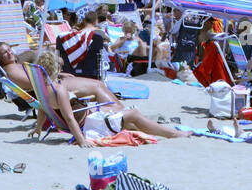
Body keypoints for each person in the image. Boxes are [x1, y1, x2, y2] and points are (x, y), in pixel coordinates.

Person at [31, 51, 190, 147]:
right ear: (55, 69)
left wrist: (38, 127)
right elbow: (69, 117)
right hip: (88, 124)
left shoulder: (43, 89)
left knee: (126, 115)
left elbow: (42, 109)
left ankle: (165, 131)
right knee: (132, 114)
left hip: (87, 116)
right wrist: (81, 140)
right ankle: (173, 134)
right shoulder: (60, 89)